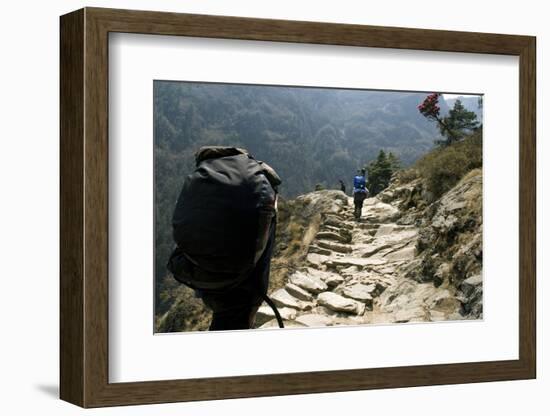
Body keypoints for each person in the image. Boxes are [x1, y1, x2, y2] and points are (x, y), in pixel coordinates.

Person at [167, 146, 282, 331]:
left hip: (200, 273)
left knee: (223, 318)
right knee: (237, 319)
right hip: (243, 281)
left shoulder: (202, 179)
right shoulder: (256, 176)